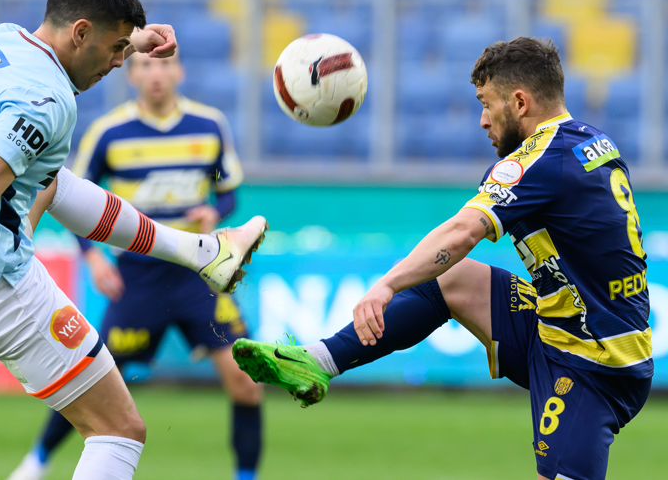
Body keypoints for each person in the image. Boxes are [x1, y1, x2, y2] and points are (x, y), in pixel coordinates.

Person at [0, 0, 266, 480]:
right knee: (118, 430)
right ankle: (204, 253)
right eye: (117, 47)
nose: (120, 61)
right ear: (81, 32)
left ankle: (202, 252)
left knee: (52, 178)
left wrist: (132, 37)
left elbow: (12, 170)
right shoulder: (50, 100)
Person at [233, 37, 651, 480]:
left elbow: (463, 231)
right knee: (455, 279)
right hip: (561, 328)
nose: (483, 120)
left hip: (596, 362)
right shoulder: (590, 141)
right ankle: (318, 362)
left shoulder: (541, 161)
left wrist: (387, 284)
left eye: (486, 104)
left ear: (520, 102)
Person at [6, 52, 263, 480]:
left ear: (179, 71)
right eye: (144, 65)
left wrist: (214, 212)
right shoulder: (110, 132)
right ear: (131, 75)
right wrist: (92, 256)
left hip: (198, 273)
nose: (155, 73)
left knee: (245, 382)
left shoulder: (210, 124)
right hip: (138, 275)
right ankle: (36, 462)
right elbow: (62, 191)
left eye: (164, 64)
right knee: (93, 381)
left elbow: (229, 192)